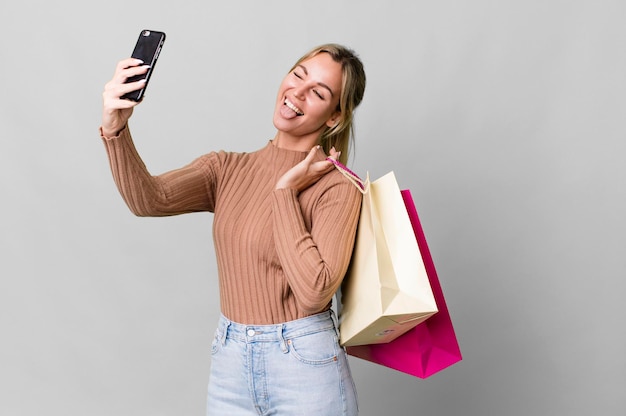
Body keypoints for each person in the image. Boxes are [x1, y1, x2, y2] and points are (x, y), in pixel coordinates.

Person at [99, 43, 366, 415]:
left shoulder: (337, 187)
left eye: (318, 93)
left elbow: (315, 292)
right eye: (298, 75)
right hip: (230, 361)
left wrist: (285, 191)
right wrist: (116, 128)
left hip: (305, 365)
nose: (298, 93)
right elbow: (149, 199)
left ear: (334, 117)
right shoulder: (226, 169)